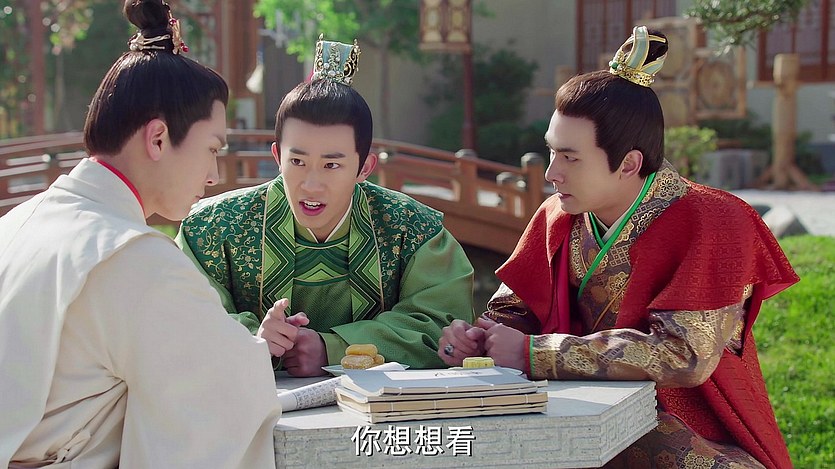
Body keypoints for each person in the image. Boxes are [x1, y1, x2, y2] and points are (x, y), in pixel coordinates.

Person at [438, 26, 797, 469]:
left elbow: (684, 355)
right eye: (551, 152)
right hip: (575, 404)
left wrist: (537, 354)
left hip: (688, 424)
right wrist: (479, 338)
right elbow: (515, 309)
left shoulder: (715, 219)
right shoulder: (557, 214)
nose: (552, 173)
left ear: (629, 163)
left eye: (570, 157)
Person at [0, 1, 283, 467]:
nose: (213, 175)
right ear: (158, 138)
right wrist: (259, 354)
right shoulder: (135, 260)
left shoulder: (17, 222)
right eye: (212, 149)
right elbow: (222, 391)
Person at [176, 35, 475, 377]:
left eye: (332, 165)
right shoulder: (213, 228)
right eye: (297, 161)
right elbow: (182, 314)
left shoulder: (413, 228)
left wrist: (333, 348)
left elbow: (443, 324)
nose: (311, 184)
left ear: (365, 167)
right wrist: (253, 338)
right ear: (277, 156)